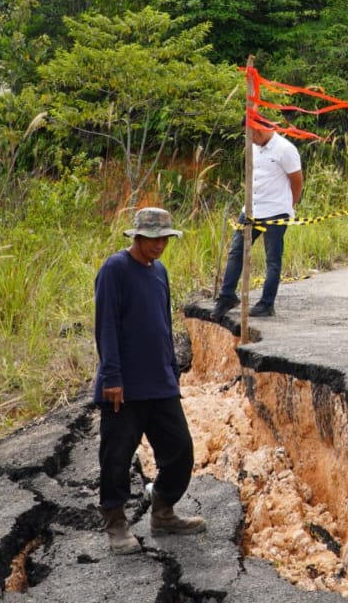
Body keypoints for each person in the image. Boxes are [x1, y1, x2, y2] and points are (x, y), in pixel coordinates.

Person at [94, 207, 206, 555]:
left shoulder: (159, 271)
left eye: (165, 238)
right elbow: (107, 325)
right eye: (154, 238)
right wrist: (111, 376)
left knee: (180, 452)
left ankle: (163, 511)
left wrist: (172, 371)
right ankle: (115, 524)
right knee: (116, 458)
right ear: (137, 236)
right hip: (124, 387)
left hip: (159, 383)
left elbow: (163, 324)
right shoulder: (115, 269)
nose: (160, 245)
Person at [211, 126, 304, 320]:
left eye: (251, 135)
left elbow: (297, 181)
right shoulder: (253, 147)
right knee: (236, 251)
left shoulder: (285, 149)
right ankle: (227, 296)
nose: (250, 140)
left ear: (260, 130)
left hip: (276, 211)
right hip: (251, 209)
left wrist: (290, 205)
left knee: (272, 258)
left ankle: (266, 304)